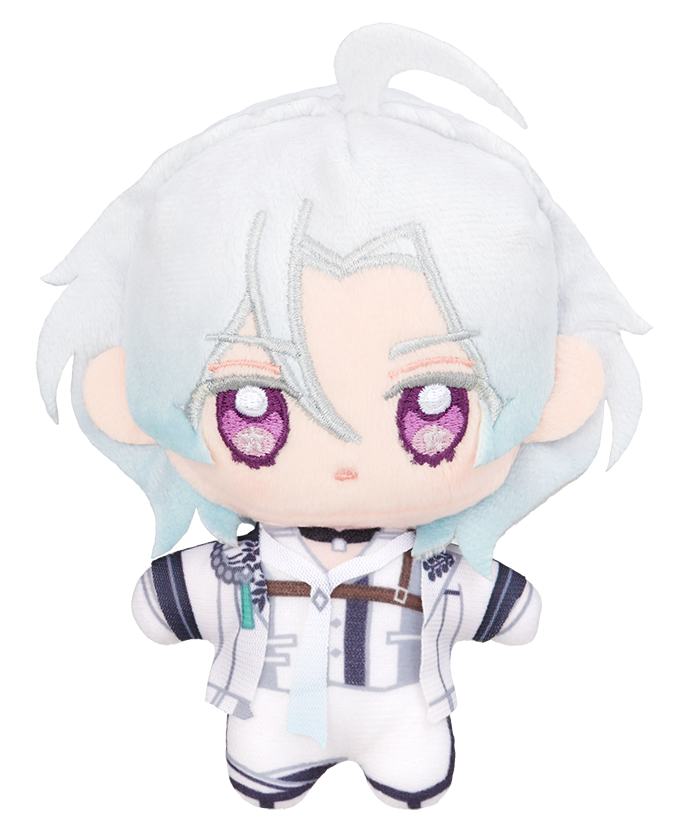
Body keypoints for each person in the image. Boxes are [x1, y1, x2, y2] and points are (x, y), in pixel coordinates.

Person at [36, 23, 650, 809]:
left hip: (403, 724)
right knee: (273, 762)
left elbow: (507, 608)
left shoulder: (431, 568)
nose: (345, 458)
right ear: (125, 394)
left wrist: (510, 608)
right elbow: (162, 606)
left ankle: (395, 766)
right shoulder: (241, 568)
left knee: (411, 768)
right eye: (253, 407)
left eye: (432, 404)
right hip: (268, 725)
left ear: (558, 390)